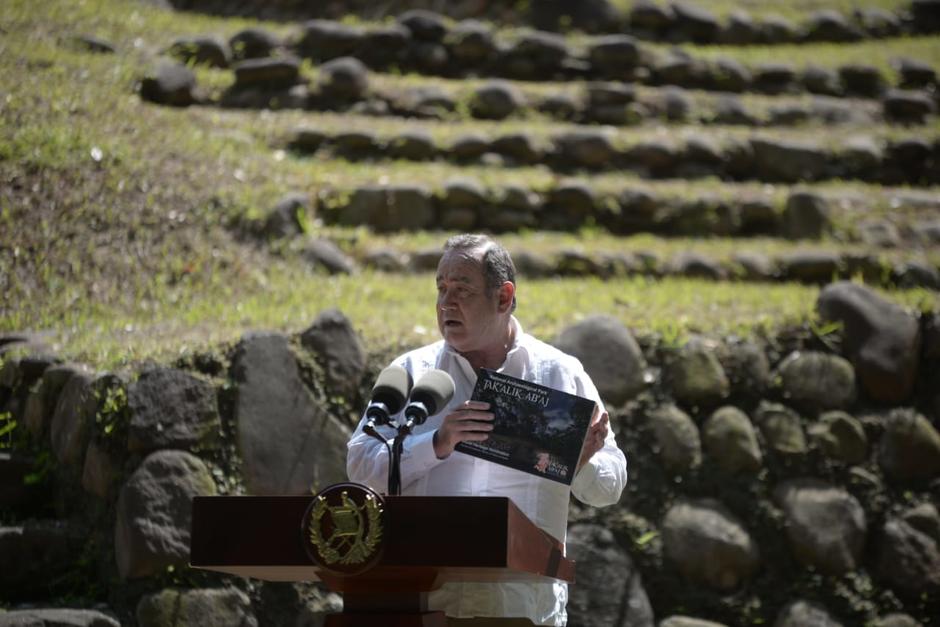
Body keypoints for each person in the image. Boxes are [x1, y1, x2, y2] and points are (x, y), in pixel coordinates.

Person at [347, 233, 628, 627]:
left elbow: (611, 486)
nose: (446, 303)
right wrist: (436, 443)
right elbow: (360, 466)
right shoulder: (412, 372)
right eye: (441, 289)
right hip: (423, 606)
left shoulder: (560, 375)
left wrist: (579, 465)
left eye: (462, 289)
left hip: (522, 610)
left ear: (503, 297)